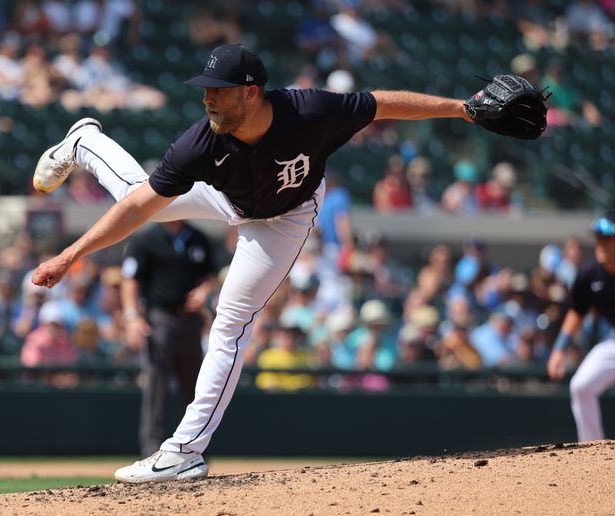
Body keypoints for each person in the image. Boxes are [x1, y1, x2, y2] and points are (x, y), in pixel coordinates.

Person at [30, 44, 485, 483]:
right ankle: (85, 142)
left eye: (219, 89)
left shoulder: (309, 110)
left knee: (231, 322)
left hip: (285, 215)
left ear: (251, 91)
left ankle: (182, 452)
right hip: (225, 192)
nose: (207, 97)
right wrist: (71, 254)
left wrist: (462, 108)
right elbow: (136, 208)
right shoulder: (199, 144)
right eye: (204, 88)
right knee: (141, 195)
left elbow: (381, 104)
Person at [120, 220, 216, 457]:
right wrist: (132, 317)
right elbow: (130, 279)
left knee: (195, 387)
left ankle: (194, 449)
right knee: (156, 386)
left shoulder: (197, 237)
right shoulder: (146, 238)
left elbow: (210, 275)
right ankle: (151, 451)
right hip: (159, 319)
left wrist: (205, 290)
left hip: (191, 320)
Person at [547, 212, 615, 441]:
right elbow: (577, 312)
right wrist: (559, 348)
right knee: (581, 386)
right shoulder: (590, 273)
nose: (600, 243)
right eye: (598, 237)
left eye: (607, 238)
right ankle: (592, 451)